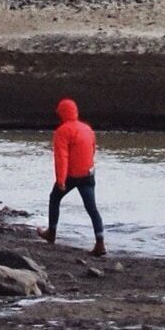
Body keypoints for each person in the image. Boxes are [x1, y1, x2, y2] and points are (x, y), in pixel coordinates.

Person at [44, 96, 103, 255]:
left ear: (62, 113)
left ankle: (51, 233)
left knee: (54, 198)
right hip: (88, 174)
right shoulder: (87, 129)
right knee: (92, 208)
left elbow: (62, 158)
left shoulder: (62, 131)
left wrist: (61, 180)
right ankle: (100, 242)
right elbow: (92, 150)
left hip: (71, 175)